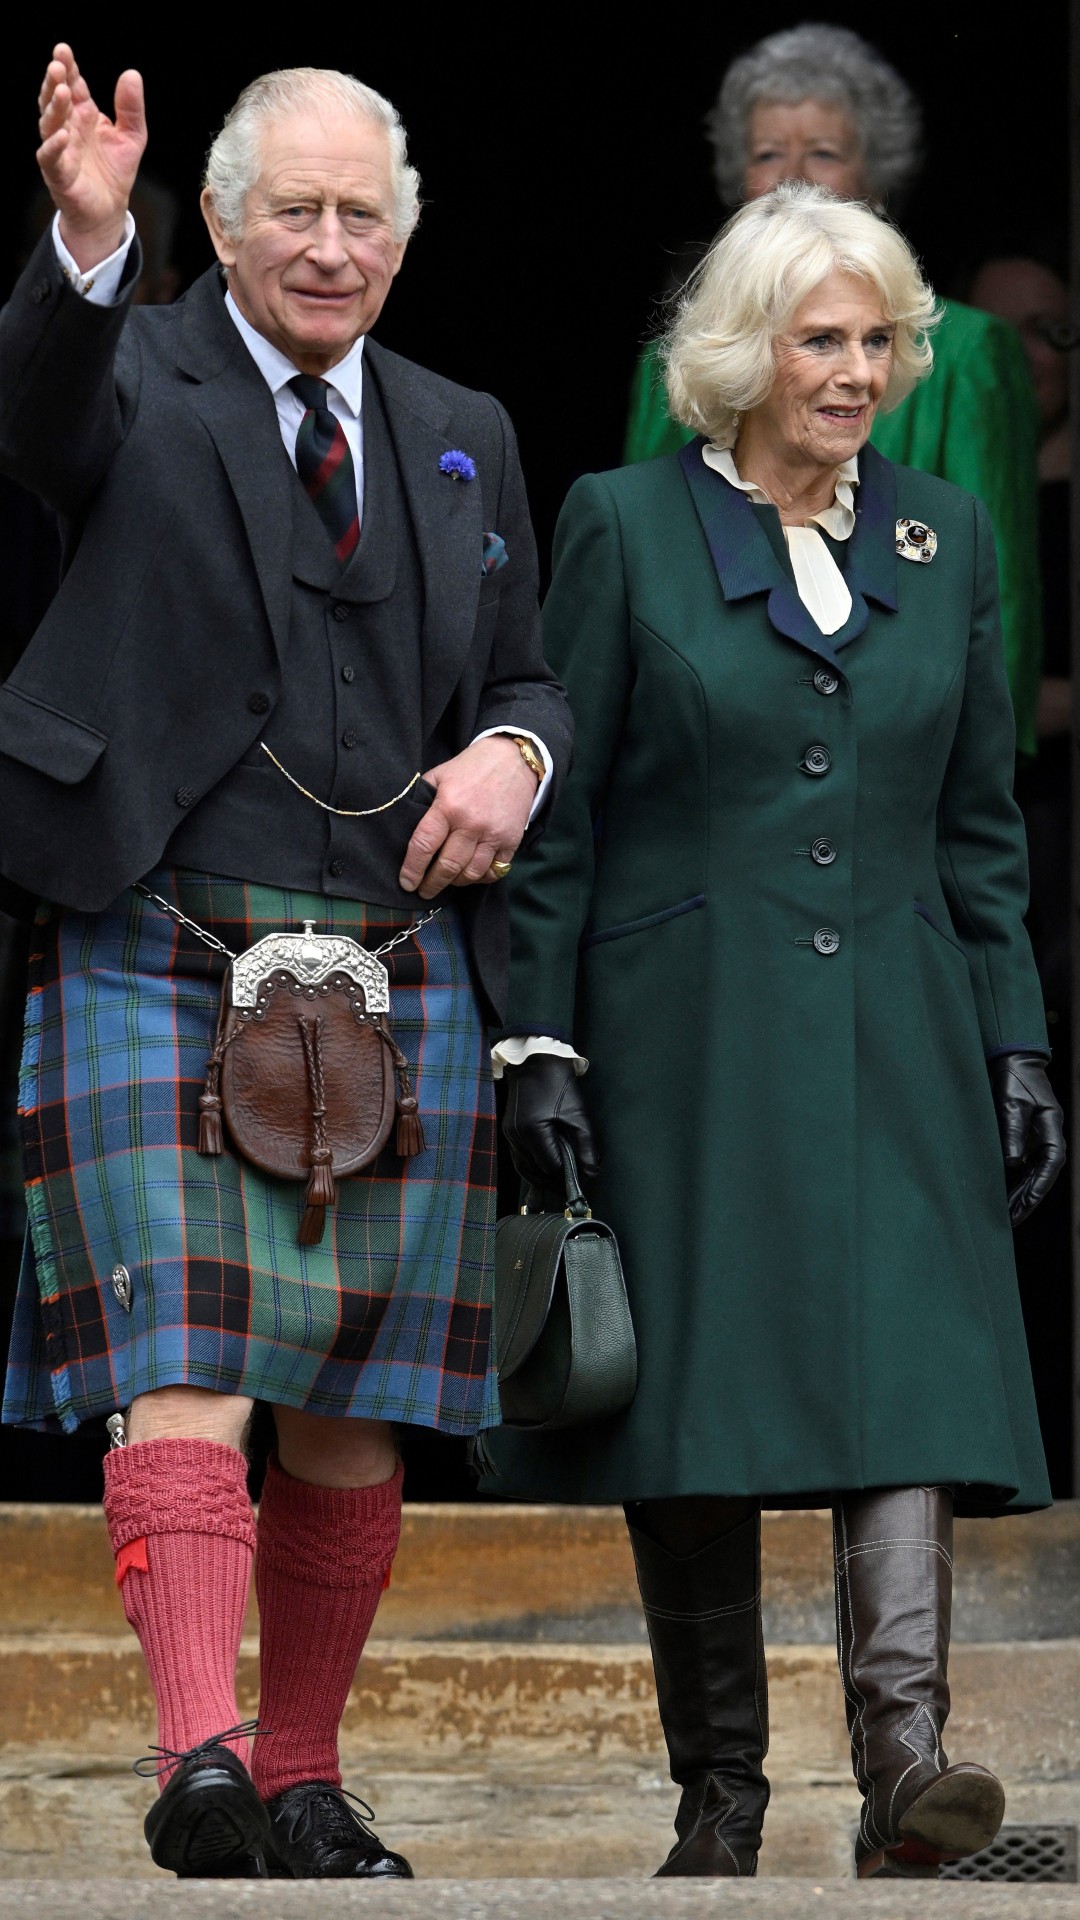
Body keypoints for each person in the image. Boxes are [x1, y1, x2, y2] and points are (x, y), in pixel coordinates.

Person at [0, 44, 570, 1881]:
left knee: (357, 1396)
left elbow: (529, 676)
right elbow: (39, 421)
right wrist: (87, 248)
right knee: (188, 1348)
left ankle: (307, 1777)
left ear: (402, 236)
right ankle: (201, 1763)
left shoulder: (461, 419)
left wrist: (517, 755)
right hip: (162, 933)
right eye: (294, 211)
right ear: (225, 222)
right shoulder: (135, 374)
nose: (329, 246)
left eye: (362, 214)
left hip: (387, 961)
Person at [487, 182, 1065, 1882]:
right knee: (703, 1407)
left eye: (881, 337)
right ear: (743, 352)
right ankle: (719, 1800)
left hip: (902, 1024)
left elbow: (981, 829)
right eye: (826, 337)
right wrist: (541, 1047)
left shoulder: (942, 538)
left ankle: (909, 1771)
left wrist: (1016, 1039)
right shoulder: (624, 522)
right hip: (689, 1034)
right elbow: (563, 818)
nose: (862, 369)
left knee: (913, 1382)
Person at [622, 23, 1045, 759]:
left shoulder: (971, 353)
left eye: (823, 151)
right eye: (766, 153)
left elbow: (997, 602)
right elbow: (640, 573)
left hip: (901, 760)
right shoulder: (674, 355)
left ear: (876, 179)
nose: (792, 175)